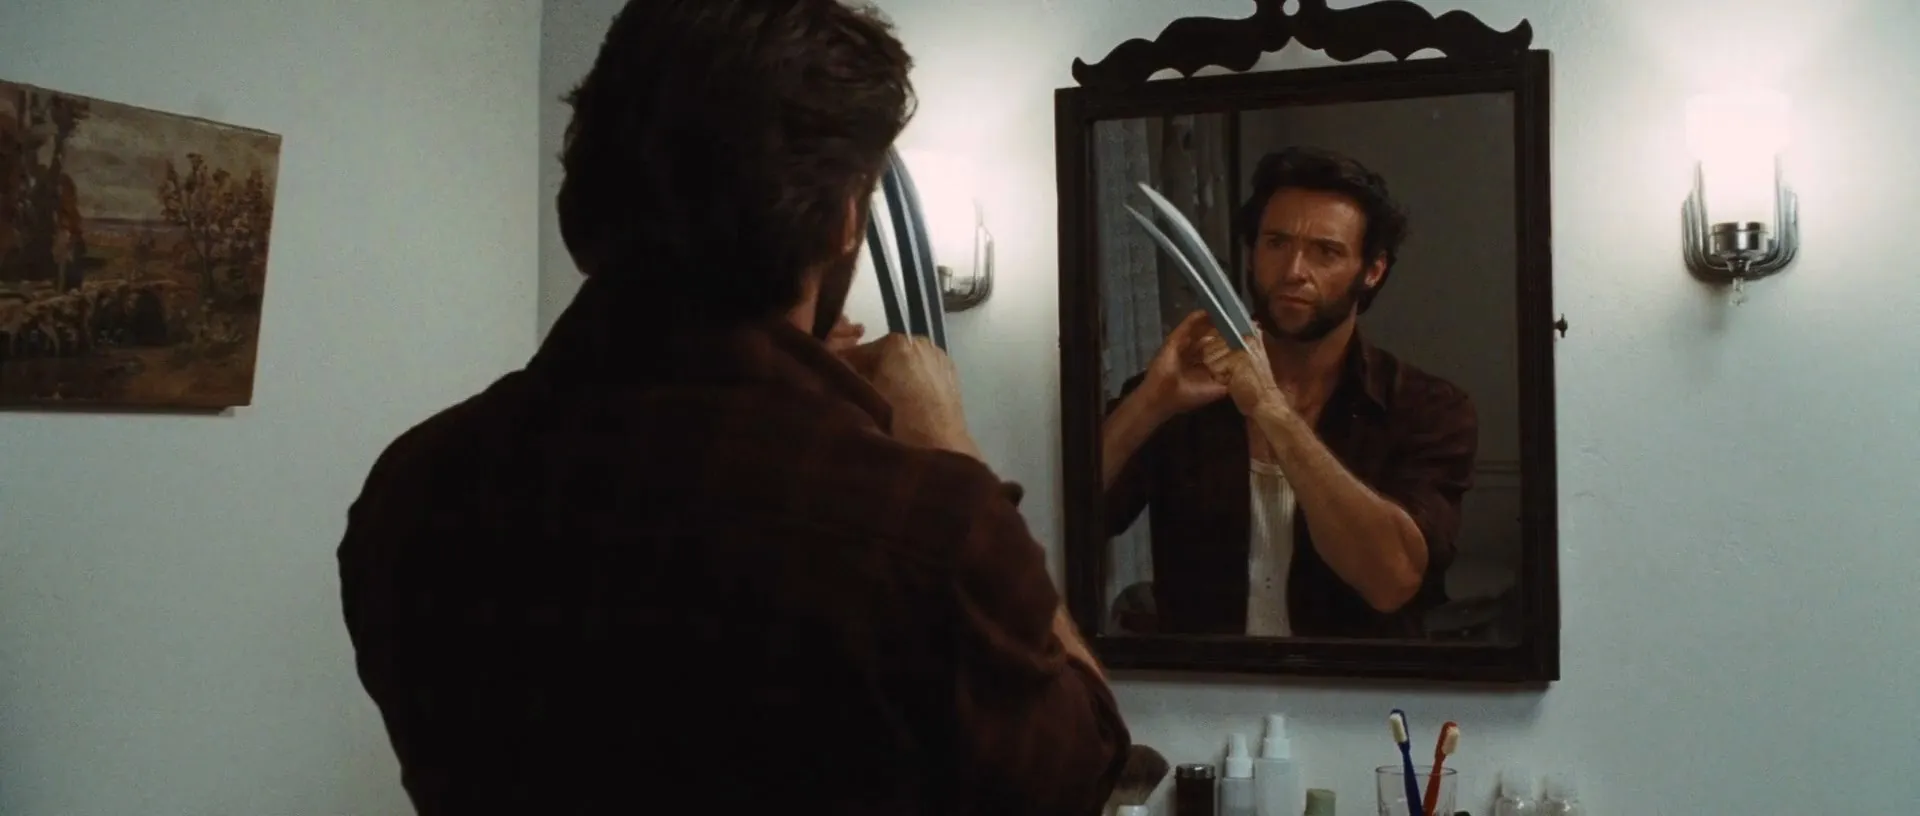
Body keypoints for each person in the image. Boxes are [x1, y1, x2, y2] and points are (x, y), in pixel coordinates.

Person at [336, 2, 1129, 814]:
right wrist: (949, 444)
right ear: (846, 218)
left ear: (587, 192)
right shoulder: (926, 529)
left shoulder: (412, 490)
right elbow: (1085, 769)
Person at [1102, 146, 1479, 639]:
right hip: (1199, 682)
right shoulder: (1177, 395)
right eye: (1276, 243)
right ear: (1252, 252)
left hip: (1355, 686)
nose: (1294, 270)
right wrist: (1151, 401)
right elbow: (1068, 517)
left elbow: (1391, 581)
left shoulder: (1426, 408)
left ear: (1373, 270)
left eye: (1326, 251)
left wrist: (1270, 409)